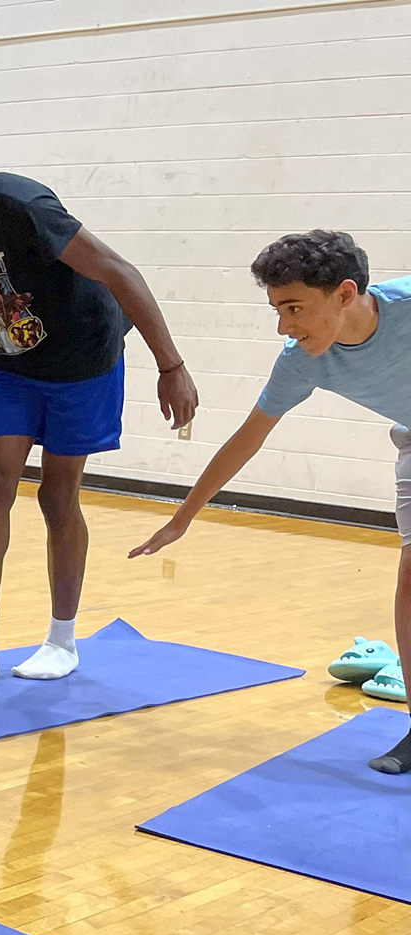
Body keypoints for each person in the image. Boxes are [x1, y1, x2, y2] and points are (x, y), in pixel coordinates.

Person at [0, 121, 200, 690]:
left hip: (83, 356)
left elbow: (119, 270)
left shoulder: (19, 205)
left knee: (57, 494)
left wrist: (170, 366)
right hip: (14, 362)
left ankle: (62, 639)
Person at [130, 231, 410, 774]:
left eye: (294, 308)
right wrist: (182, 518)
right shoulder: (302, 360)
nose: (284, 325)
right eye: (277, 309)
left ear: (345, 293)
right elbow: (247, 438)